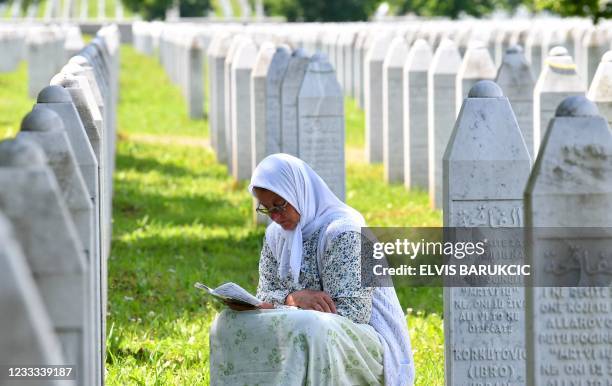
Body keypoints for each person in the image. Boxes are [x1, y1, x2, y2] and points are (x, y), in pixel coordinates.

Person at [209, 153, 415, 385]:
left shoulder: (344, 231)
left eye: (280, 205)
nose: (275, 216)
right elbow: (264, 294)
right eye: (266, 209)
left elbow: (354, 311)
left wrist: (298, 311)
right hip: (304, 327)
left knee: (310, 327)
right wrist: (292, 300)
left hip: (365, 340)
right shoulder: (276, 235)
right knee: (227, 322)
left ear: (299, 192)